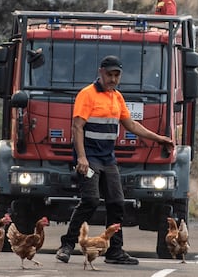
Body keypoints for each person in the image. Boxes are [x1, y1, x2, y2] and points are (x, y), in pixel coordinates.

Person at [56, 55, 174, 265]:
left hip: (108, 159)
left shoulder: (117, 97)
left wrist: (159, 138)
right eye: (109, 74)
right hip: (90, 159)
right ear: (100, 72)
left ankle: (114, 251)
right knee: (91, 199)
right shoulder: (87, 94)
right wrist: (81, 157)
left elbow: (132, 125)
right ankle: (67, 245)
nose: (112, 78)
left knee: (117, 202)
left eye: (116, 75)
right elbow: (77, 127)